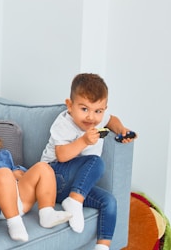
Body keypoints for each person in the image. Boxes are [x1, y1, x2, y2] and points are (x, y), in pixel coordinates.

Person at [40, 73, 137, 250]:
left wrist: (121, 129)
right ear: (70, 105)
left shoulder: (99, 120)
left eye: (98, 111)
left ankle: (102, 246)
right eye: (84, 109)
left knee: (109, 201)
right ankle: (75, 201)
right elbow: (61, 155)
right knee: (96, 161)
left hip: (74, 187)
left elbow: (112, 120)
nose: (91, 117)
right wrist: (83, 141)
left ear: (104, 109)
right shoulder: (63, 123)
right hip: (53, 179)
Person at [0, 120, 72, 242]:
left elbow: (19, 172)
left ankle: (47, 213)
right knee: (3, 173)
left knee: (43, 167)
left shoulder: (1, 157)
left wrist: (18, 173)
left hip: (19, 197)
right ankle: (15, 223)